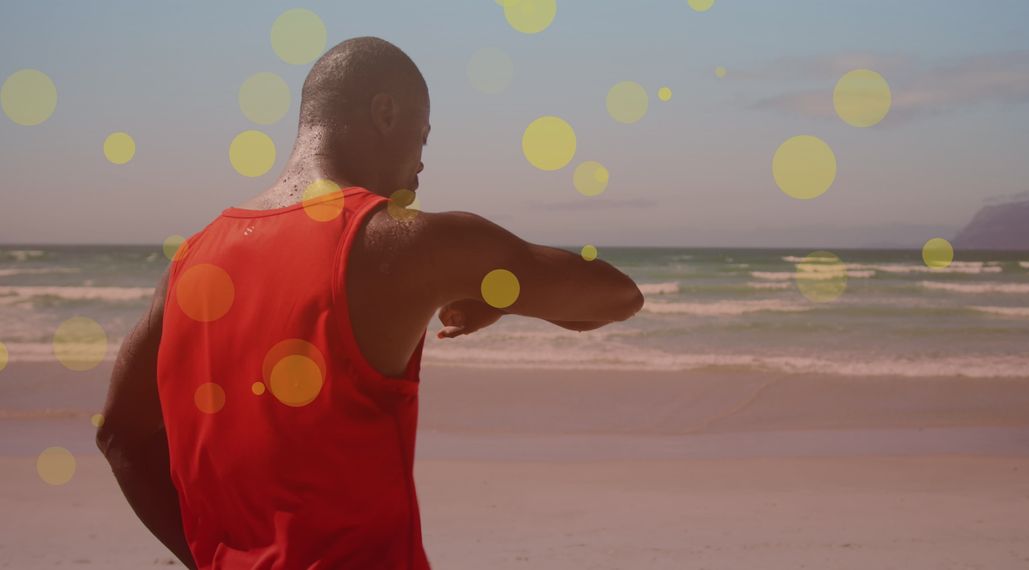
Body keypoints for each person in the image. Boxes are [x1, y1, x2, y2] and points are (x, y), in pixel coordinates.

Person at [95, 36, 643, 569]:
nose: (422, 165)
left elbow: (120, 434)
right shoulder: (408, 242)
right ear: (385, 112)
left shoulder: (192, 262)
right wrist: (497, 296)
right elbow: (615, 297)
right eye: (422, 136)